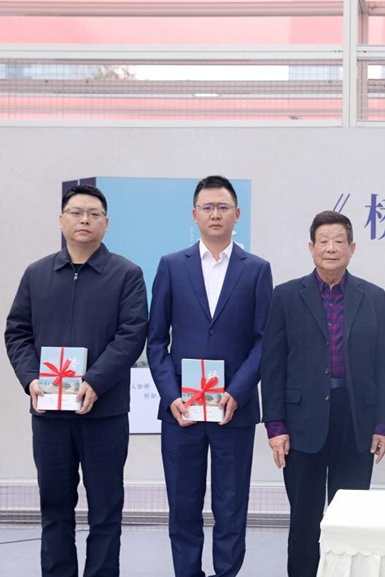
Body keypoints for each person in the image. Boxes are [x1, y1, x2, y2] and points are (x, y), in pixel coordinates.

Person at [4, 183, 148, 577]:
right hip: (49, 414)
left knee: (105, 511)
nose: (85, 220)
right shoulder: (36, 274)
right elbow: (17, 333)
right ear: (61, 220)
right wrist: (30, 380)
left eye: (94, 214)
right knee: (54, 509)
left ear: (106, 223)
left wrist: (95, 382)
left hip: (105, 414)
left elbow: (132, 334)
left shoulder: (126, 274)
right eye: (76, 212)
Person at [147, 175, 272, 577]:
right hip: (182, 410)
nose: (215, 214)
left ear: (237, 214)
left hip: (234, 409)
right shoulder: (171, 266)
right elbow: (155, 341)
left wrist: (238, 391)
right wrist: (171, 396)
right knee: (183, 505)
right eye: (208, 207)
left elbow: (264, 340)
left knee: (231, 506)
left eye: (223, 207)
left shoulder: (257, 270)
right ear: (195, 214)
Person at [261, 211, 385, 577]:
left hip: (355, 420)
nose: (331, 248)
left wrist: (383, 423)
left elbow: (383, 362)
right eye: (323, 241)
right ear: (311, 248)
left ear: (352, 248)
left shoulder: (373, 296)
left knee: (349, 521)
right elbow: (272, 365)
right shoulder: (286, 296)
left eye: (339, 241)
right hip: (301, 422)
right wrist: (275, 426)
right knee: (304, 520)